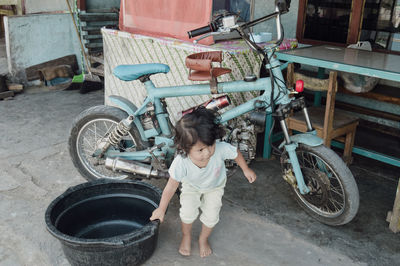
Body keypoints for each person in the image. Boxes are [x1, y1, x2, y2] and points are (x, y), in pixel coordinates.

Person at [150, 107, 256, 257]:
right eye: (200, 150)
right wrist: (161, 209)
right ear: (185, 148)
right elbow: (171, 186)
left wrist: (246, 169)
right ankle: (186, 236)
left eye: (210, 145)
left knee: (212, 216)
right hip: (191, 187)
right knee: (187, 213)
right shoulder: (181, 162)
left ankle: (203, 238)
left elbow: (235, 153)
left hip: (215, 187)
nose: (207, 153)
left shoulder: (220, 149)